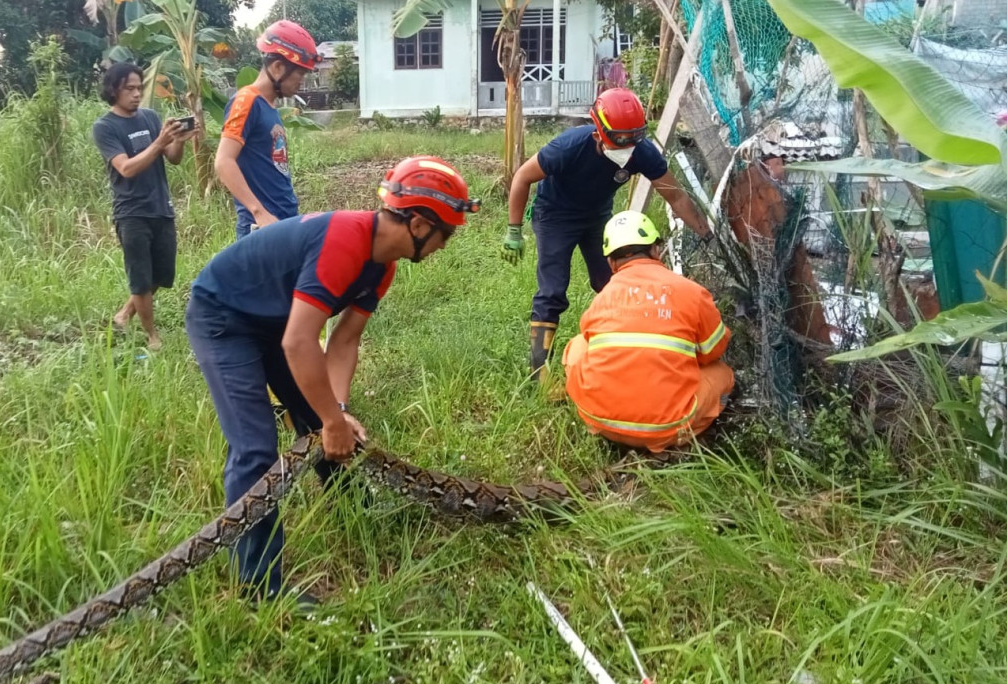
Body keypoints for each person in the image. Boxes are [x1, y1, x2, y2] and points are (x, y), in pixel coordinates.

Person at [186, 156, 479, 603]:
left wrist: (336, 412)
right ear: (419, 224)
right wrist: (332, 419)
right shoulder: (346, 239)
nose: (446, 244)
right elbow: (299, 342)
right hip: (223, 317)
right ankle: (259, 587)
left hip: (274, 323)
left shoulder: (382, 267)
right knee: (256, 448)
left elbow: (343, 342)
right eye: (447, 233)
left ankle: (354, 509)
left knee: (319, 417)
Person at [501, 87, 714, 380]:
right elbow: (523, 176)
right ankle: (538, 373)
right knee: (552, 290)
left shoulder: (642, 153)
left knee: (614, 283)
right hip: (555, 216)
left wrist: (706, 235)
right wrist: (514, 230)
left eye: (633, 138)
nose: (627, 146)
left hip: (597, 216)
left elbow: (676, 197)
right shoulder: (569, 147)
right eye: (619, 140)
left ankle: (623, 355)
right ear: (598, 133)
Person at [563, 211, 734, 453]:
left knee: (579, 344)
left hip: (599, 420)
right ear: (656, 250)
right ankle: (693, 432)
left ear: (611, 263)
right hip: (669, 427)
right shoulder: (692, 292)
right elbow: (712, 352)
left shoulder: (602, 299)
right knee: (723, 374)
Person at [92, 62, 199, 350]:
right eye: (130, 89)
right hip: (131, 212)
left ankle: (125, 313)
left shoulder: (151, 118)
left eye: (139, 88)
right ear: (114, 90)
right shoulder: (105, 127)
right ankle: (152, 336)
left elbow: (172, 158)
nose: (137, 94)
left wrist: (179, 141)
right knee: (140, 278)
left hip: (160, 207)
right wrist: (159, 142)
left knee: (162, 275)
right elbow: (126, 168)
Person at [215, 20, 318, 239]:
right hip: (261, 228)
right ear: (278, 67)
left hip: (282, 222)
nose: (301, 81)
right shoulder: (246, 101)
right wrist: (259, 212)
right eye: (299, 74)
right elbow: (223, 161)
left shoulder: (269, 106)